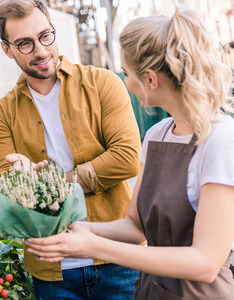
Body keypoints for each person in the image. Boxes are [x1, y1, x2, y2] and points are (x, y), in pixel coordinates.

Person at [25, 10, 234, 299]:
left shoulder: (220, 141)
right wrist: (76, 229)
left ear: (150, 79)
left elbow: (205, 263)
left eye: (126, 73)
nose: (125, 82)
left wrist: (94, 247)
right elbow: (135, 228)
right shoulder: (157, 135)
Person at [0, 0, 142, 299]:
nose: (41, 50)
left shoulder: (103, 84)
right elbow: (3, 181)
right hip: (51, 268)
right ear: (7, 49)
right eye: (24, 44)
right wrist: (17, 179)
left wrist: (51, 185)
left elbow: (126, 160)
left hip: (119, 259)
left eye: (45, 36)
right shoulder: (3, 112)